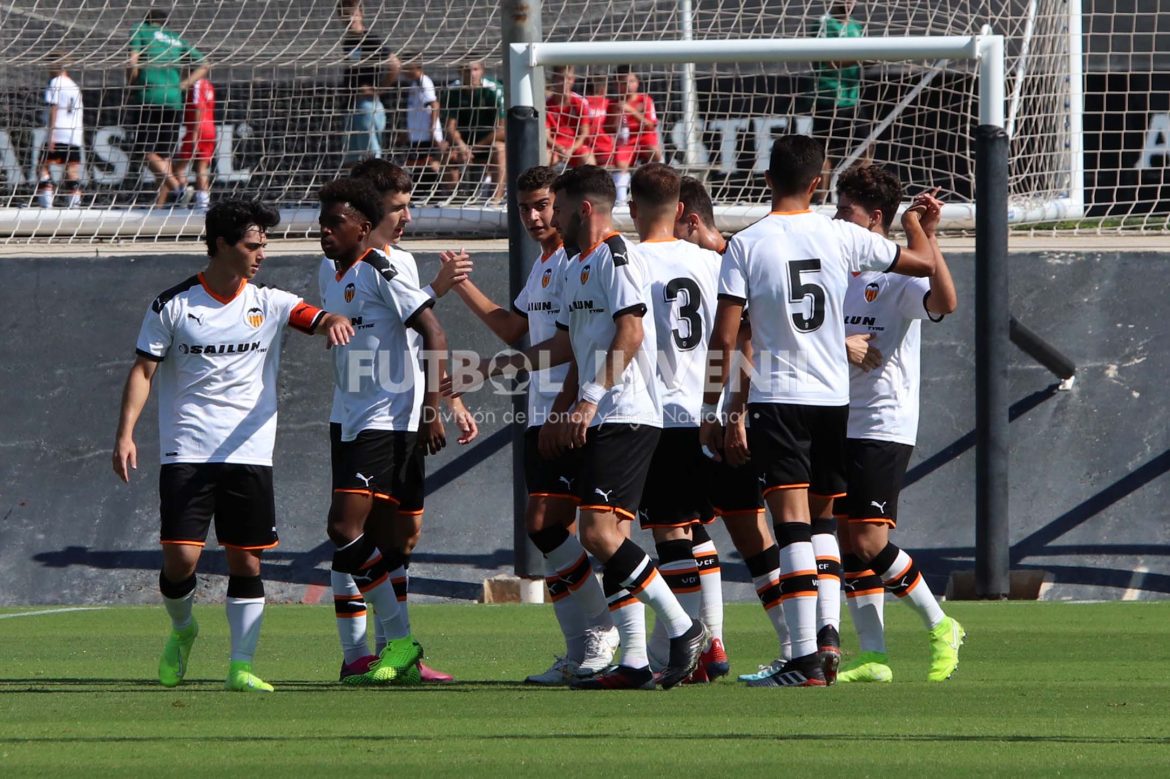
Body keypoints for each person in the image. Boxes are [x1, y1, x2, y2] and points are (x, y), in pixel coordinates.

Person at [448, 165, 707, 690]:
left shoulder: (617, 256)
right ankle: (634, 661)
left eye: (557, 208)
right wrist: (551, 404)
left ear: (582, 210)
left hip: (628, 412)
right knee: (591, 534)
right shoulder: (575, 265)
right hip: (595, 414)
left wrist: (586, 403)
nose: (547, 218)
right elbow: (568, 347)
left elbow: (631, 333)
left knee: (600, 533)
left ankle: (684, 629)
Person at [700, 134, 937, 687]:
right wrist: (917, 224)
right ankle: (828, 638)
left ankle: (803, 657)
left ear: (766, 180)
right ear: (817, 183)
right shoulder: (844, 235)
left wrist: (718, 406)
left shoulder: (746, 244)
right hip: (834, 402)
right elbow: (923, 263)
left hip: (778, 398)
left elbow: (726, 337)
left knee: (791, 528)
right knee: (825, 522)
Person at [112, 198, 354, 693]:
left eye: (263, 244)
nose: (261, 254)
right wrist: (125, 434)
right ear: (221, 244)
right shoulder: (173, 305)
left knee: (246, 560)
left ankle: (240, 666)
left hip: (249, 454)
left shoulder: (271, 302)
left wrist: (332, 320)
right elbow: (143, 371)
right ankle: (183, 629)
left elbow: (312, 315)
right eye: (251, 245)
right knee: (181, 559)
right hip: (188, 450)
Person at [438, 165, 619, 685]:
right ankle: (583, 648)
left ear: (562, 204)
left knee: (559, 527)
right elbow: (515, 327)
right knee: (549, 533)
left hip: (576, 409)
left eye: (543, 205)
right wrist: (462, 286)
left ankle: (611, 632)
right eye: (525, 208)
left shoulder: (576, 260)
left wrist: (492, 370)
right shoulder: (544, 264)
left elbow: (573, 345)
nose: (535, 217)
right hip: (544, 411)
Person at [325, 158, 476, 684]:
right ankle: (363, 650)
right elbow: (403, 327)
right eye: (398, 208)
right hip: (361, 417)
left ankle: (391, 651)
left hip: (406, 415)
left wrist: (447, 402)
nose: (406, 217)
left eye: (408, 206)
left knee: (399, 538)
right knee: (349, 531)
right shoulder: (337, 264)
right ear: (368, 213)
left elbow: (417, 336)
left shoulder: (397, 264)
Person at [830, 164, 964, 683]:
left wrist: (921, 233)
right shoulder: (835, 269)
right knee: (848, 541)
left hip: (882, 421)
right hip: (836, 417)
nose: (837, 219)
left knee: (868, 541)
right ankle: (874, 654)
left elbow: (945, 302)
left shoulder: (896, 275)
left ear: (875, 219)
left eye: (847, 212)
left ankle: (941, 624)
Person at [627, 163, 725, 685]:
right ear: (681, 210)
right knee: (691, 526)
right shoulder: (711, 261)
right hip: (705, 409)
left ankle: (685, 649)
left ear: (632, 208)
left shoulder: (629, 260)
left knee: (669, 531)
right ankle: (713, 643)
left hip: (657, 412)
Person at [127, 9, 208, 206]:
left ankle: (179, 189)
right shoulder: (176, 39)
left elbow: (133, 61)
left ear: (148, 20)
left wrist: (131, 83)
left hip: (149, 96)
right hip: (173, 100)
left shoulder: (140, 29)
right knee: (163, 157)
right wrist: (183, 85)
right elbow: (204, 64)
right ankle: (160, 207)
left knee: (144, 151)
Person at [810, 0, 866, 202]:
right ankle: (821, 200)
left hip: (853, 99)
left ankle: (860, 195)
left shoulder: (856, 26)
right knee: (825, 153)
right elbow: (829, 62)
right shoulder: (824, 23)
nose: (849, 2)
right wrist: (863, 56)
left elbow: (862, 61)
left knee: (866, 147)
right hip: (829, 98)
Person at [338, 0, 399, 165]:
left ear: (361, 14)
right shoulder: (348, 42)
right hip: (351, 104)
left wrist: (378, 89)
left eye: (353, 14)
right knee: (351, 160)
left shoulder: (370, 39)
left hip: (367, 105)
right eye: (345, 15)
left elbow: (395, 64)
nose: (349, 19)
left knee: (371, 158)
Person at [442, 61, 507, 202]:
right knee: (446, 151)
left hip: (487, 144)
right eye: (467, 70)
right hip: (463, 145)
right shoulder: (453, 91)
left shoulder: (494, 89)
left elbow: (502, 129)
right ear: (460, 72)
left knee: (500, 149)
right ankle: (455, 198)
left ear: (482, 70)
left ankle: (495, 201)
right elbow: (450, 127)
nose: (471, 74)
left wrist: (475, 148)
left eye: (475, 69)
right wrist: (461, 145)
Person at [37, 56, 84, 209]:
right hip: (74, 134)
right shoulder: (74, 86)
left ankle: (46, 204)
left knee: (42, 166)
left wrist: (51, 134)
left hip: (58, 132)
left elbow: (54, 108)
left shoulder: (55, 82)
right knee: (72, 169)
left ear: (54, 66)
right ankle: (75, 206)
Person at [584, 71, 631, 201]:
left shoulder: (582, 103)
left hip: (587, 150)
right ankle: (621, 200)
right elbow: (621, 131)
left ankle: (594, 199)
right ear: (604, 89)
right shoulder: (611, 104)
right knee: (622, 162)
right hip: (608, 151)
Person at [172, 72, 215, 210]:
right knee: (201, 168)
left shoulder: (197, 84)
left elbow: (198, 107)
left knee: (178, 168)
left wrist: (195, 134)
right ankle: (203, 203)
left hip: (197, 129)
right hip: (210, 128)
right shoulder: (208, 84)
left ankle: (183, 191)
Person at [402, 56, 445, 191]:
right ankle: (423, 194)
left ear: (416, 66)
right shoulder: (414, 84)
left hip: (426, 136)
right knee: (417, 167)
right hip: (416, 136)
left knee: (430, 165)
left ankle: (436, 193)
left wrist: (432, 130)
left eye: (407, 67)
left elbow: (434, 104)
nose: (404, 70)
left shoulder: (424, 82)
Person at [614, 67, 662, 175]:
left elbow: (650, 126)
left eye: (631, 81)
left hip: (644, 137)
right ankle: (624, 184)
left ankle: (657, 173)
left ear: (637, 83)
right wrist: (617, 116)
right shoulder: (614, 104)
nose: (628, 85)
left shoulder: (645, 100)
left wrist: (632, 111)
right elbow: (610, 128)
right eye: (623, 82)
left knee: (654, 152)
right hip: (627, 141)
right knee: (620, 163)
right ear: (617, 85)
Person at [545, 65, 594, 169]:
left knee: (589, 162)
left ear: (573, 80)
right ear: (554, 80)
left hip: (575, 146)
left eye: (569, 78)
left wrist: (572, 149)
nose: (565, 82)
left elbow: (584, 133)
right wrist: (559, 148)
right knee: (544, 158)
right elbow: (546, 135)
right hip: (555, 147)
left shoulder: (580, 102)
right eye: (561, 78)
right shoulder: (546, 105)